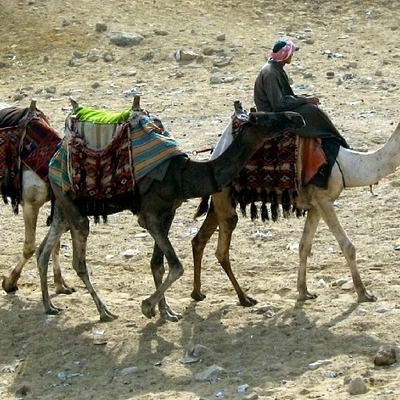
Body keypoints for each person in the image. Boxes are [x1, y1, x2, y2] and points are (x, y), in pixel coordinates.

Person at [253, 38, 350, 149]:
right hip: (272, 115)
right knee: (312, 111)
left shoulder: (275, 68)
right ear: (285, 55)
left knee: (311, 107)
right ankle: (336, 141)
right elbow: (278, 104)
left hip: (278, 110)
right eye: (290, 53)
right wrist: (305, 100)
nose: (292, 56)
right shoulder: (271, 73)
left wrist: (304, 98)